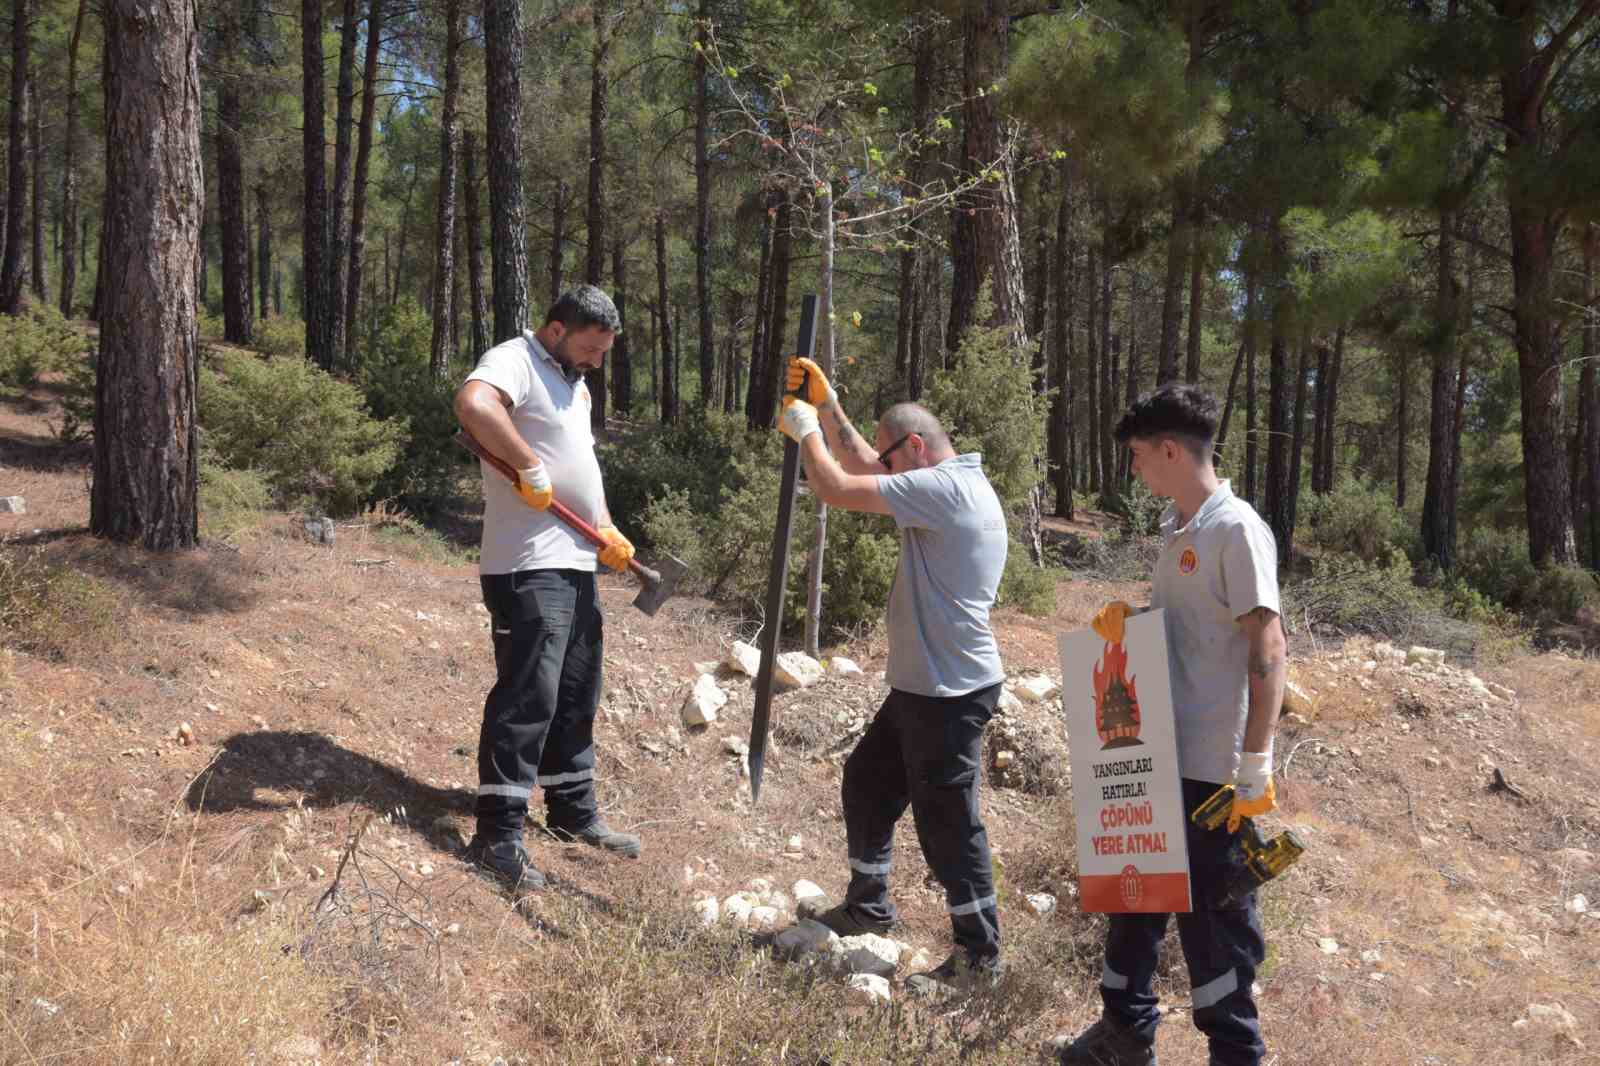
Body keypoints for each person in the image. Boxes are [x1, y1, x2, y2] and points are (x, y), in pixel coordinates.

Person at [1054, 384, 1285, 1066]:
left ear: (1169, 450)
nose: (1133, 470)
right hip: (1155, 752)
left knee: (1216, 921)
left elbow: (1267, 648)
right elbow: (1192, 632)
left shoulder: (1235, 528)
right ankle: (1124, 1033)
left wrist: (1255, 764)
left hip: (1213, 768)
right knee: (1135, 895)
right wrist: (1132, 625)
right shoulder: (1178, 528)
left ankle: (1236, 1054)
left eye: (1136, 456)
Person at [772, 357, 1008, 990]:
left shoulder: (946, 489)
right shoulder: (942, 478)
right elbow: (865, 465)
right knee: (870, 783)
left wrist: (806, 434)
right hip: (923, 685)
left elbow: (838, 486)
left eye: (891, 454)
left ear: (918, 447)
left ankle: (979, 959)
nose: (883, 465)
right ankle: (870, 904)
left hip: (950, 691)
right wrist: (829, 407)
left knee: (949, 824)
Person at [452, 285, 641, 891]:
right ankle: (499, 835)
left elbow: (580, 461)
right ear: (556, 330)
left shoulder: (574, 382)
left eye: (603, 352)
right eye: (589, 347)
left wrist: (605, 526)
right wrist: (528, 467)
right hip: (527, 564)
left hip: (575, 562)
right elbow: (475, 404)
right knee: (528, 695)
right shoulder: (517, 358)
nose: (595, 362)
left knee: (577, 691)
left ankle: (571, 811)